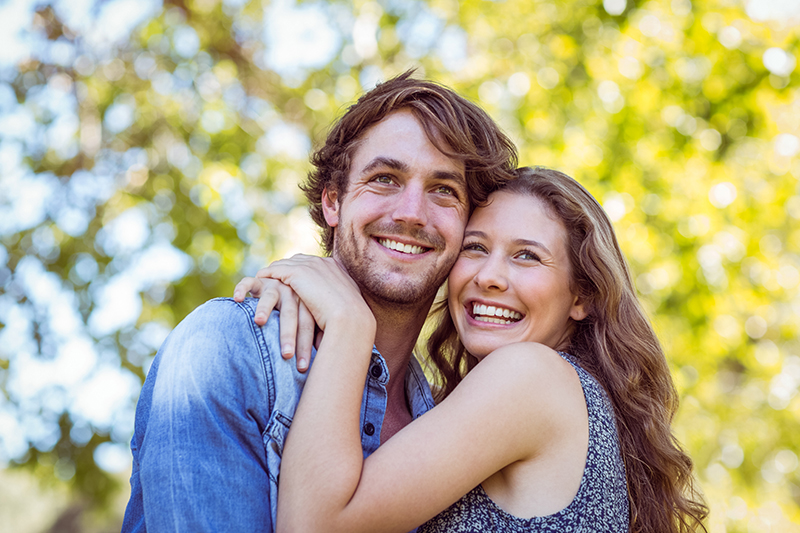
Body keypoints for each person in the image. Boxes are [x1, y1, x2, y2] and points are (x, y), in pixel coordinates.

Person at [120, 71, 517, 532]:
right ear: (332, 202)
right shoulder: (226, 349)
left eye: (443, 190)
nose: (411, 212)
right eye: (385, 179)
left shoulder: (446, 418)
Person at [245, 167, 708, 532]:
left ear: (582, 296)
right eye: (475, 247)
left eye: (526, 255)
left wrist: (348, 323)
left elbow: (314, 527)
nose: (489, 275)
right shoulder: (567, 396)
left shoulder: (531, 378)